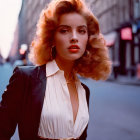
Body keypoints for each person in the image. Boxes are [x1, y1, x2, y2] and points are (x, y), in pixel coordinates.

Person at [0, 0, 112, 140]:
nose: (74, 38)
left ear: (88, 39)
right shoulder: (26, 78)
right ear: (51, 38)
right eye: (64, 30)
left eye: (81, 31)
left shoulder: (84, 91)